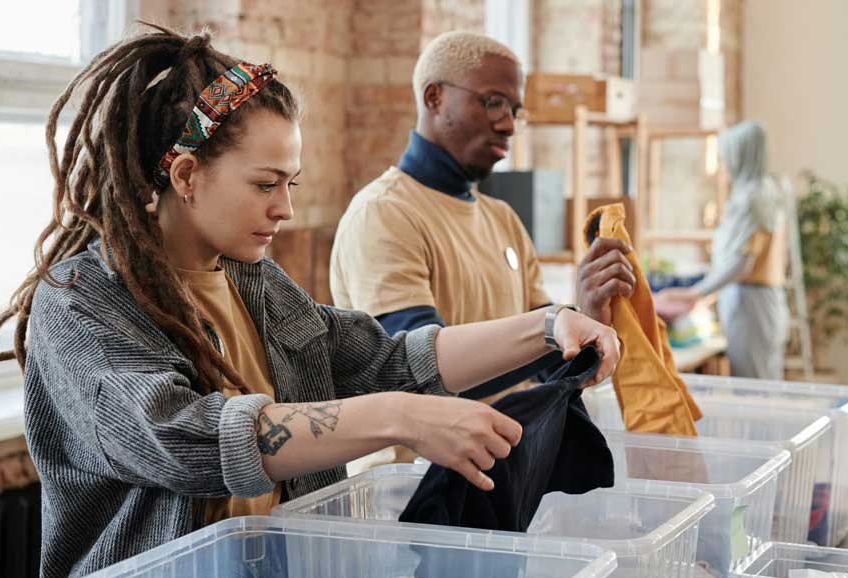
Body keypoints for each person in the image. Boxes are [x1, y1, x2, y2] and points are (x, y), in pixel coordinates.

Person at [0, 26, 619, 578]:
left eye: (290, 183)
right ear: (184, 175)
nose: (284, 209)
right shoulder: (80, 305)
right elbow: (183, 437)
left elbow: (383, 359)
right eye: (265, 184)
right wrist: (401, 417)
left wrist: (547, 325)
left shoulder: (252, 280)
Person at [330, 31, 635, 403]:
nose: (507, 125)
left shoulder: (502, 218)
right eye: (494, 103)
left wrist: (585, 318)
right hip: (416, 462)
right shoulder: (384, 215)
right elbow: (415, 376)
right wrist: (551, 327)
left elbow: (546, 369)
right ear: (434, 98)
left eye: (514, 111)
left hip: (498, 455)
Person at [654, 121, 791, 379]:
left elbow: (742, 262)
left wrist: (695, 293)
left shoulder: (752, 198)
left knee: (755, 386)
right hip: (761, 301)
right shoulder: (767, 191)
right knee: (765, 381)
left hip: (750, 304)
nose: (723, 165)